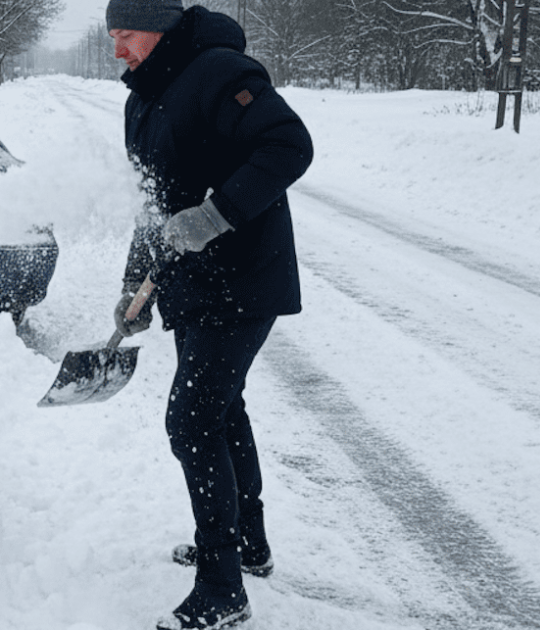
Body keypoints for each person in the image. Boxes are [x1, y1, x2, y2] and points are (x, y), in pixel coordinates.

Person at [105, 0, 313, 628]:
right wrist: (133, 285)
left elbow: (289, 145)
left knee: (192, 420)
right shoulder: (141, 99)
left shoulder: (221, 71)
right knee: (221, 409)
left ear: (162, 30)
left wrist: (218, 213)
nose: (119, 51)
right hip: (191, 284)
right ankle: (249, 545)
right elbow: (153, 201)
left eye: (128, 36)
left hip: (243, 277)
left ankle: (223, 587)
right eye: (112, 37)